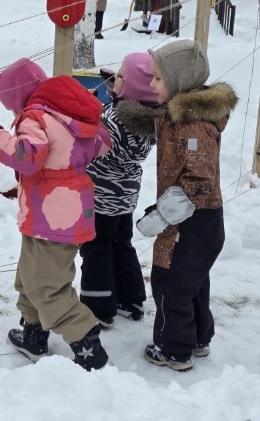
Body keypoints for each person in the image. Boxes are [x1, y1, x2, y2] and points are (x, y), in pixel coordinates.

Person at [0, 58, 112, 371]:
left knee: (47, 286)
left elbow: (27, 158)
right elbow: (99, 143)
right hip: (56, 213)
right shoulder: (64, 113)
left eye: (11, 107)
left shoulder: (36, 117)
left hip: (52, 216)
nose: (13, 115)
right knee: (29, 276)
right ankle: (34, 335)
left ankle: (88, 346)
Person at [136, 39, 238, 371]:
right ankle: (198, 337)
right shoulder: (178, 115)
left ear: (179, 81)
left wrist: (163, 213)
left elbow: (200, 180)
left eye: (157, 78)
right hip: (195, 220)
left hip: (192, 220)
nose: (152, 84)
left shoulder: (193, 125)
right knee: (193, 281)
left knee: (171, 283)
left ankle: (173, 349)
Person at [80, 52, 166, 328]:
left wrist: (87, 115)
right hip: (125, 196)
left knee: (96, 248)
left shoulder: (113, 120)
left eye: (120, 76)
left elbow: (93, 144)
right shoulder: (145, 119)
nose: (114, 78)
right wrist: (116, 89)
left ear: (131, 88)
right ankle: (131, 298)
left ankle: (99, 307)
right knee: (121, 244)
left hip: (101, 196)